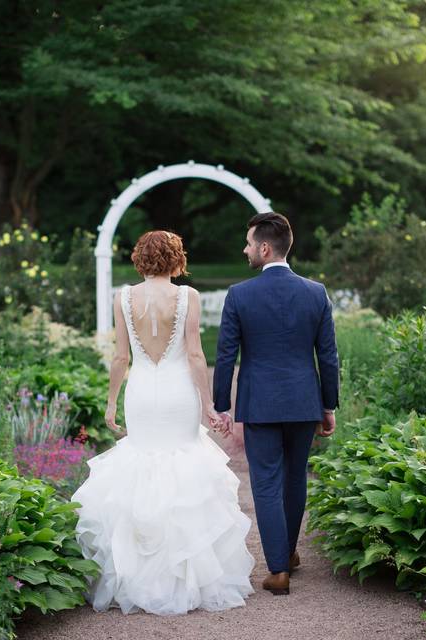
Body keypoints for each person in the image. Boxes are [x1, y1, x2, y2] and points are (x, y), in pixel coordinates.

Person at [71, 230, 255, 615]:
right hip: (176, 393)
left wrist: (110, 403)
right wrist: (208, 403)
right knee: (184, 464)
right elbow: (193, 355)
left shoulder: (123, 297)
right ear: (176, 258)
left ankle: (136, 572)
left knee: (141, 462)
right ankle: (184, 574)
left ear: (140, 258)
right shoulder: (187, 296)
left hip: (140, 393)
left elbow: (121, 357)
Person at [213, 212, 340, 596]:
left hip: (261, 404)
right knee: (295, 477)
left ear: (265, 248)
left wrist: (223, 405)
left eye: (249, 243)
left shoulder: (240, 295)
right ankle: (286, 553)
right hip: (304, 401)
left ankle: (278, 569)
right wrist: (328, 405)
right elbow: (329, 357)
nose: (245, 249)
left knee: (266, 483)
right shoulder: (315, 292)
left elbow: (225, 355)